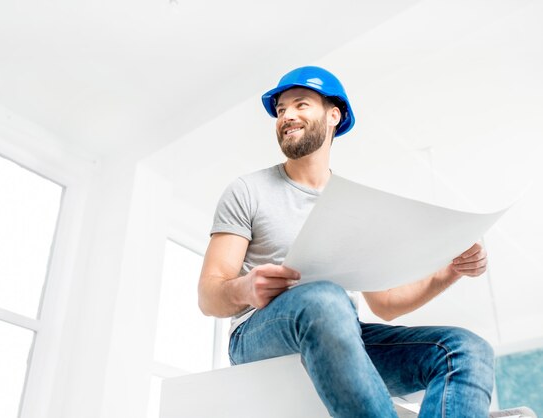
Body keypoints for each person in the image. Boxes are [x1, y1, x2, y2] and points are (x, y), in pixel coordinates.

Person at [198, 66, 495, 417]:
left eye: (301, 104)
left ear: (334, 115)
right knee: (325, 298)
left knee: (467, 351)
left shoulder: (353, 205)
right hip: (258, 333)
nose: (287, 116)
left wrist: (449, 272)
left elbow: (385, 303)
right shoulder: (247, 190)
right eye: (280, 110)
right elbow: (209, 296)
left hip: (342, 334)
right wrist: (246, 289)